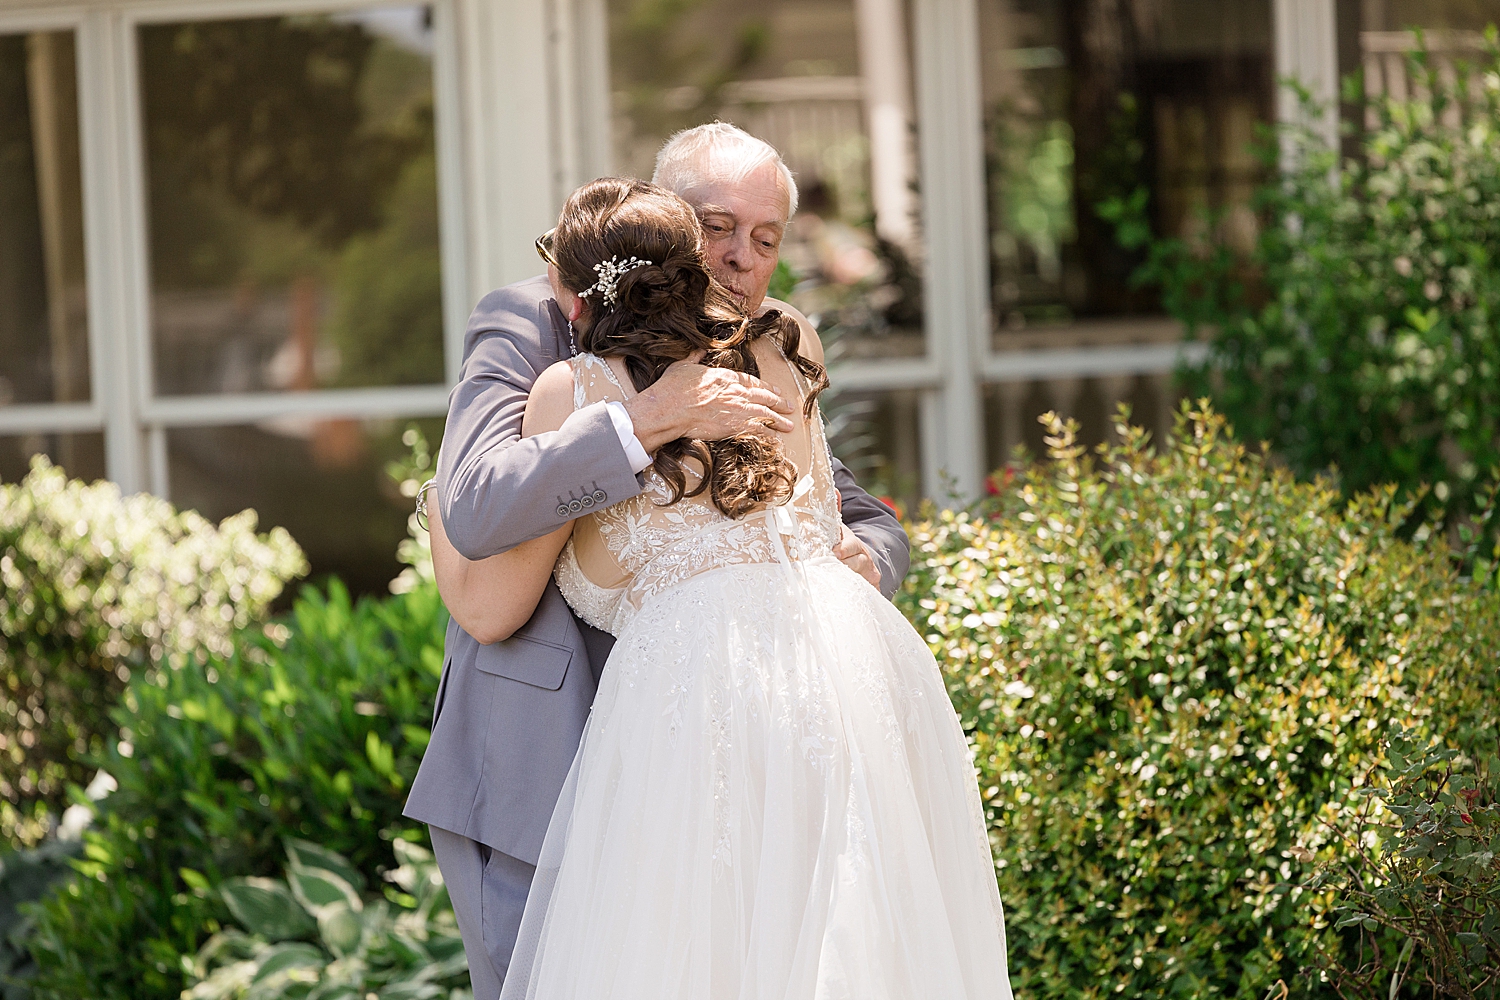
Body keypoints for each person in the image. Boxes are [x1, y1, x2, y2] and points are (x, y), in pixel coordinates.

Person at [435, 177, 1011, 999]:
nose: (742, 260)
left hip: (745, 694)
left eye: (766, 239)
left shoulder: (762, 351)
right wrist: (642, 422)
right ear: (679, 232)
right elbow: (480, 502)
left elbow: (845, 509)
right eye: (720, 231)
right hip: (597, 732)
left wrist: (863, 560)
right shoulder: (534, 328)